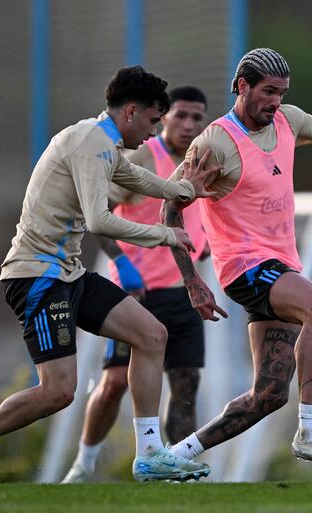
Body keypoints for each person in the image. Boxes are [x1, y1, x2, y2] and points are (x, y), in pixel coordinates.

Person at [0, 67, 220, 486]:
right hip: (37, 276)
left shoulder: (104, 143)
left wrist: (183, 190)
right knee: (58, 392)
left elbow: (134, 177)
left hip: (67, 272)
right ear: (131, 111)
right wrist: (165, 234)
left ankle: (149, 455)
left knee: (152, 335)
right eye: (154, 120)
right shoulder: (90, 142)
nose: (154, 130)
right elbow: (99, 221)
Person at [162, 48, 312, 471]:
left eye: (282, 93)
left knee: (268, 395)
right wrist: (192, 281)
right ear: (242, 86)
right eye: (268, 91)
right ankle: (311, 430)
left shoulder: (287, 120)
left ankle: (173, 457)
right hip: (245, 267)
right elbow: (169, 208)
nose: (276, 101)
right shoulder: (216, 142)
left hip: (278, 266)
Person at [61, 86, 210, 483]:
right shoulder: (144, 157)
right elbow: (99, 216)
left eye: (197, 118)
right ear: (164, 117)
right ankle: (83, 465)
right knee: (113, 383)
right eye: (181, 115)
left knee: (186, 386)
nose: (189, 125)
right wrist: (122, 263)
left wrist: (207, 243)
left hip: (185, 293)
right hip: (138, 294)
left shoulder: (202, 164)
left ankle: (176, 471)